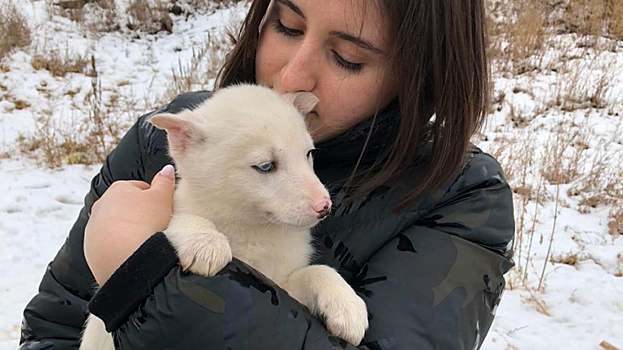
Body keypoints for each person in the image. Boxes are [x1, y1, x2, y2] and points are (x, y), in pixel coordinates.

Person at [19, 0, 515, 349]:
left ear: (421, 72)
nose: (293, 77)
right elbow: (53, 329)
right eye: (287, 25)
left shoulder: (460, 201)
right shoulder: (163, 146)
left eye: (348, 57)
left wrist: (145, 272)